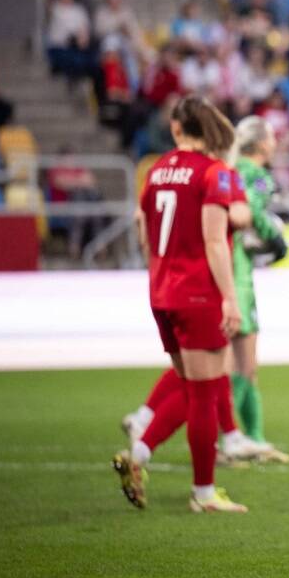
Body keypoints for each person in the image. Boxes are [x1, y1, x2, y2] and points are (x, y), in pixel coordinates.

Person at [112, 96, 248, 514]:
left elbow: (141, 225)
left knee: (189, 385)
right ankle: (204, 493)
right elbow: (213, 239)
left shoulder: (155, 170)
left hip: (161, 290)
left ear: (176, 128)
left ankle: (138, 455)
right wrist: (229, 296)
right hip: (198, 292)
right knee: (206, 394)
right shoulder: (214, 172)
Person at [229, 116, 289, 460]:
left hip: (231, 265)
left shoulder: (228, 169)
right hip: (237, 275)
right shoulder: (256, 175)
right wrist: (274, 236)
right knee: (242, 363)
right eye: (271, 138)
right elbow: (250, 211)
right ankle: (231, 437)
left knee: (232, 364)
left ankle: (248, 435)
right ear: (262, 144)